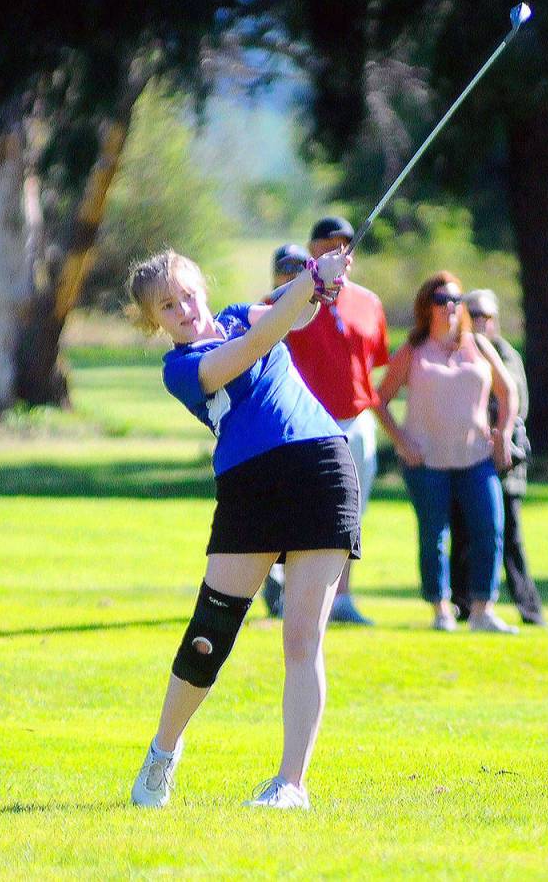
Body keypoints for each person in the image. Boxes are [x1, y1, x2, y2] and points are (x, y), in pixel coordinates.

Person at [126, 246, 357, 811]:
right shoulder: (180, 370)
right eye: (167, 305)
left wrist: (319, 284)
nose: (183, 308)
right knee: (212, 631)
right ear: (154, 320)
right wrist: (307, 282)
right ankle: (163, 752)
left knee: (303, 640)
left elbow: (293, 316)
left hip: (322, 467)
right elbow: (256, 345)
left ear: (202, 288)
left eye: (187, 294)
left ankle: (290, 785)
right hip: (251, 485)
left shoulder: (237, 312)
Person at [376, 271, 520, 633]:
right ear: (427, 308)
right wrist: (401, 440)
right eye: (442, 301)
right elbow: (379, 400)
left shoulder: (479, 345)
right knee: (434, 535)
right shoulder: (413, 350)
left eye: (456, 300)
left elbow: (508, 391)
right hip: (426, 460)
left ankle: (482, 610)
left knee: (490, 528)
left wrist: (502, 432)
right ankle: (441, 609)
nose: (451, 307)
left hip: (475, 456)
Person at [285, 216, 391, 626]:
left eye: (346, 244)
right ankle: (297, 596)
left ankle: (342, 597)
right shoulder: (295, 297)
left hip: (358, 421)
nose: (340, 251)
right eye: (330, 244)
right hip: (308, 422)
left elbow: (372, 367)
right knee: (307, 511)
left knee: (352, 513)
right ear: (312, 250)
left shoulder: (368, 302)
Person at [448, 289, 546, 626]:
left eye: (486, 316)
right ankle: (460, 603)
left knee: (510, 536)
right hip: (466, 458)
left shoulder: (506, 355)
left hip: (504, 464)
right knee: (462, 534)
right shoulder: (456, 352)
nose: (480, 322)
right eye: (473, 315)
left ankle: (528, 607)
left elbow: (516, 406)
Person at [259, 244, 313, 619]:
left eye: (299, 267)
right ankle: (272, 580)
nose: (291, 273)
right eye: (285, 267)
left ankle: (290, 586)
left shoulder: (308, 306)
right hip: (271, 428)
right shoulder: (264, 308)